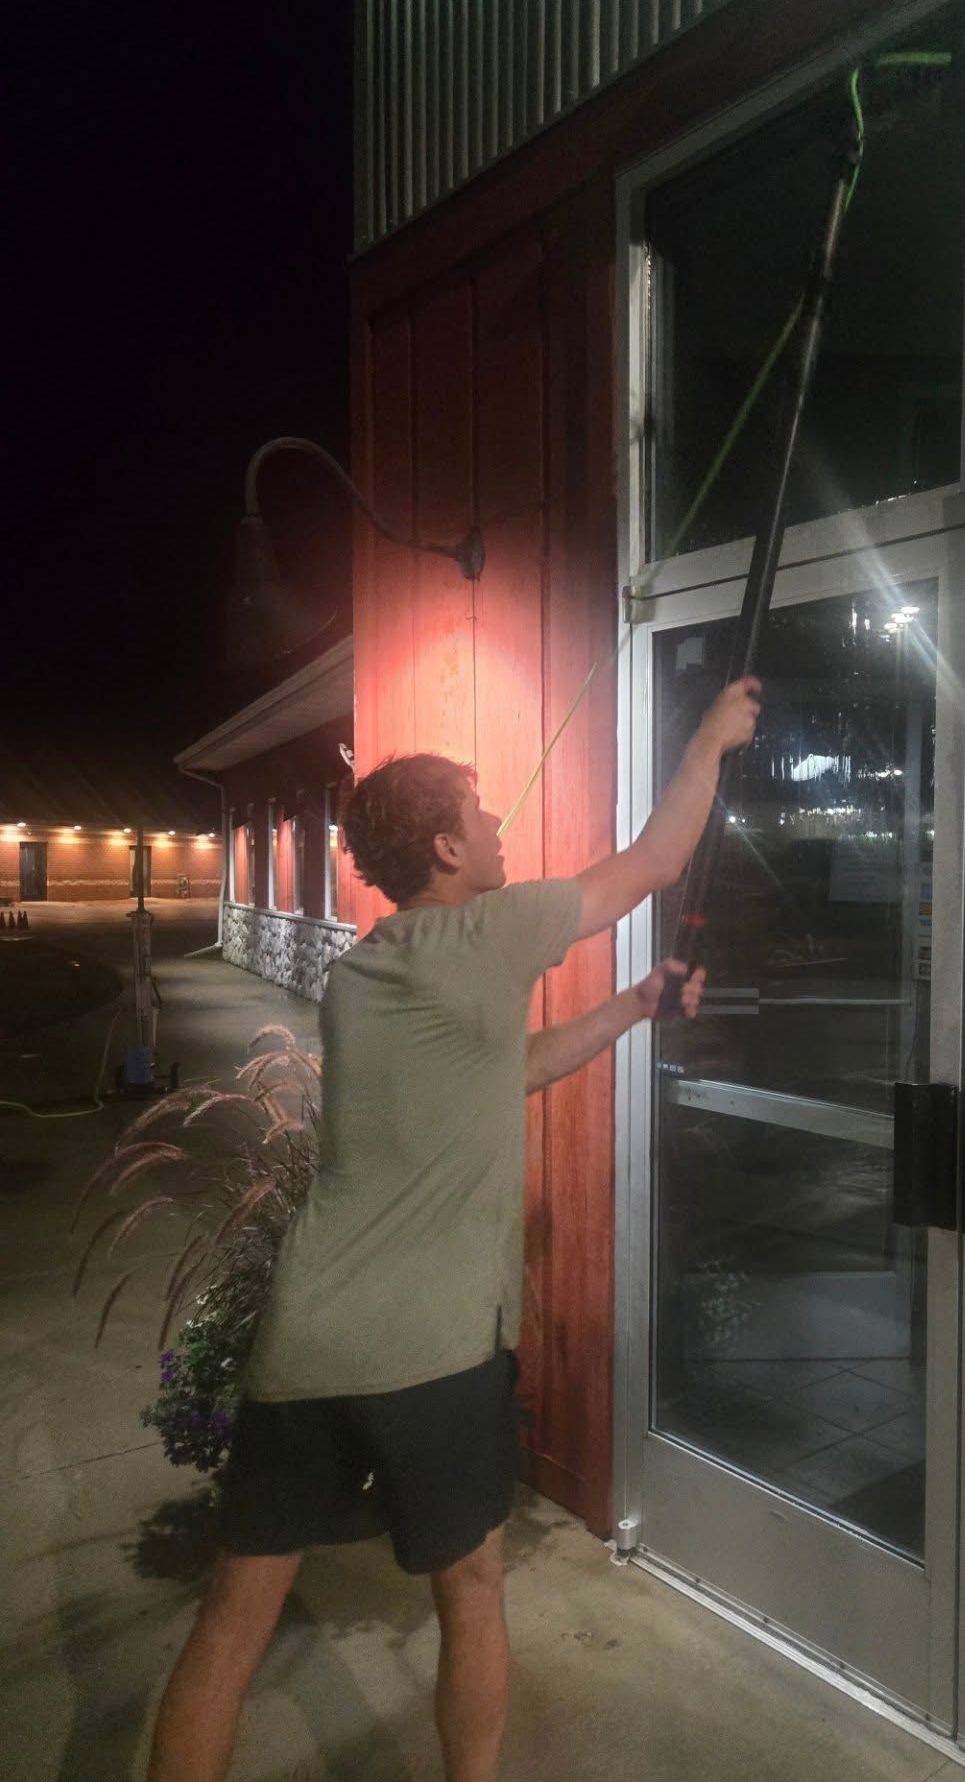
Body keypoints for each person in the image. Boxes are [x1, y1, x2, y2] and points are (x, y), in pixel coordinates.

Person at [146, 676, 762, 1782]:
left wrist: (629, 1008)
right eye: (482, 819)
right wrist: (714, 736)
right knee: (470, 1594)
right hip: (430, 1351)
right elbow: (658, 860)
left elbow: (502, 1074)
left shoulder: (362, 973)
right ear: (443, 848)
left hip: (307, 1339)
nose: (499, 830)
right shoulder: (490, 930)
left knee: (235, 1621)